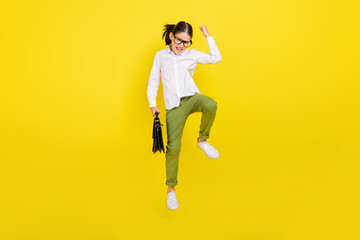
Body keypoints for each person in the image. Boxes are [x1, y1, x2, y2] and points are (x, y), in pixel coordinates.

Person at [147, 21, 222, 210]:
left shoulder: (191, 54)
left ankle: (202, 140)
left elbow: (216, 58)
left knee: (210, 104)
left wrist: (207, 36)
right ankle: (171, 190)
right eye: (179, 40)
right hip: (174, 107)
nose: (181, 45)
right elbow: (153, 81)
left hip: (191, 98)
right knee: (173, 147)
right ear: (172, 36)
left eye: (186, 42)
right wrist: (152, 104)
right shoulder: (160, 56)